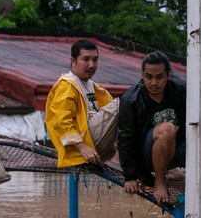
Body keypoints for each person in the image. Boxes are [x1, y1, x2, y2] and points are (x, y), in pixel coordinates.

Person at [117, 51, 186, 203]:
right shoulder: (131, 99)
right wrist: (130, 177)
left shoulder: (182, 90)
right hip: (146, 156)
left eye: (159, 77)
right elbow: (125, 139)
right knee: (167, 128)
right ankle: (160, 182)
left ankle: (171, 169)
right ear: (142, 74)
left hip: (177, 151)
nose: (154, 83)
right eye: (149, 76)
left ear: (168, 74)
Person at [45, 39, 121, 168]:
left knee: (131, 107)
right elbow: (61, 121)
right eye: (86, 60)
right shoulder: (67, 85)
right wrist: (82, 147)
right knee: (124, 102)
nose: (91, 65)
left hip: (95, 139)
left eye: (95, 60)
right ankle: (118, 157)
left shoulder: (94, 87)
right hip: (83, 145)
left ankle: (124, 156)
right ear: (73, 61)